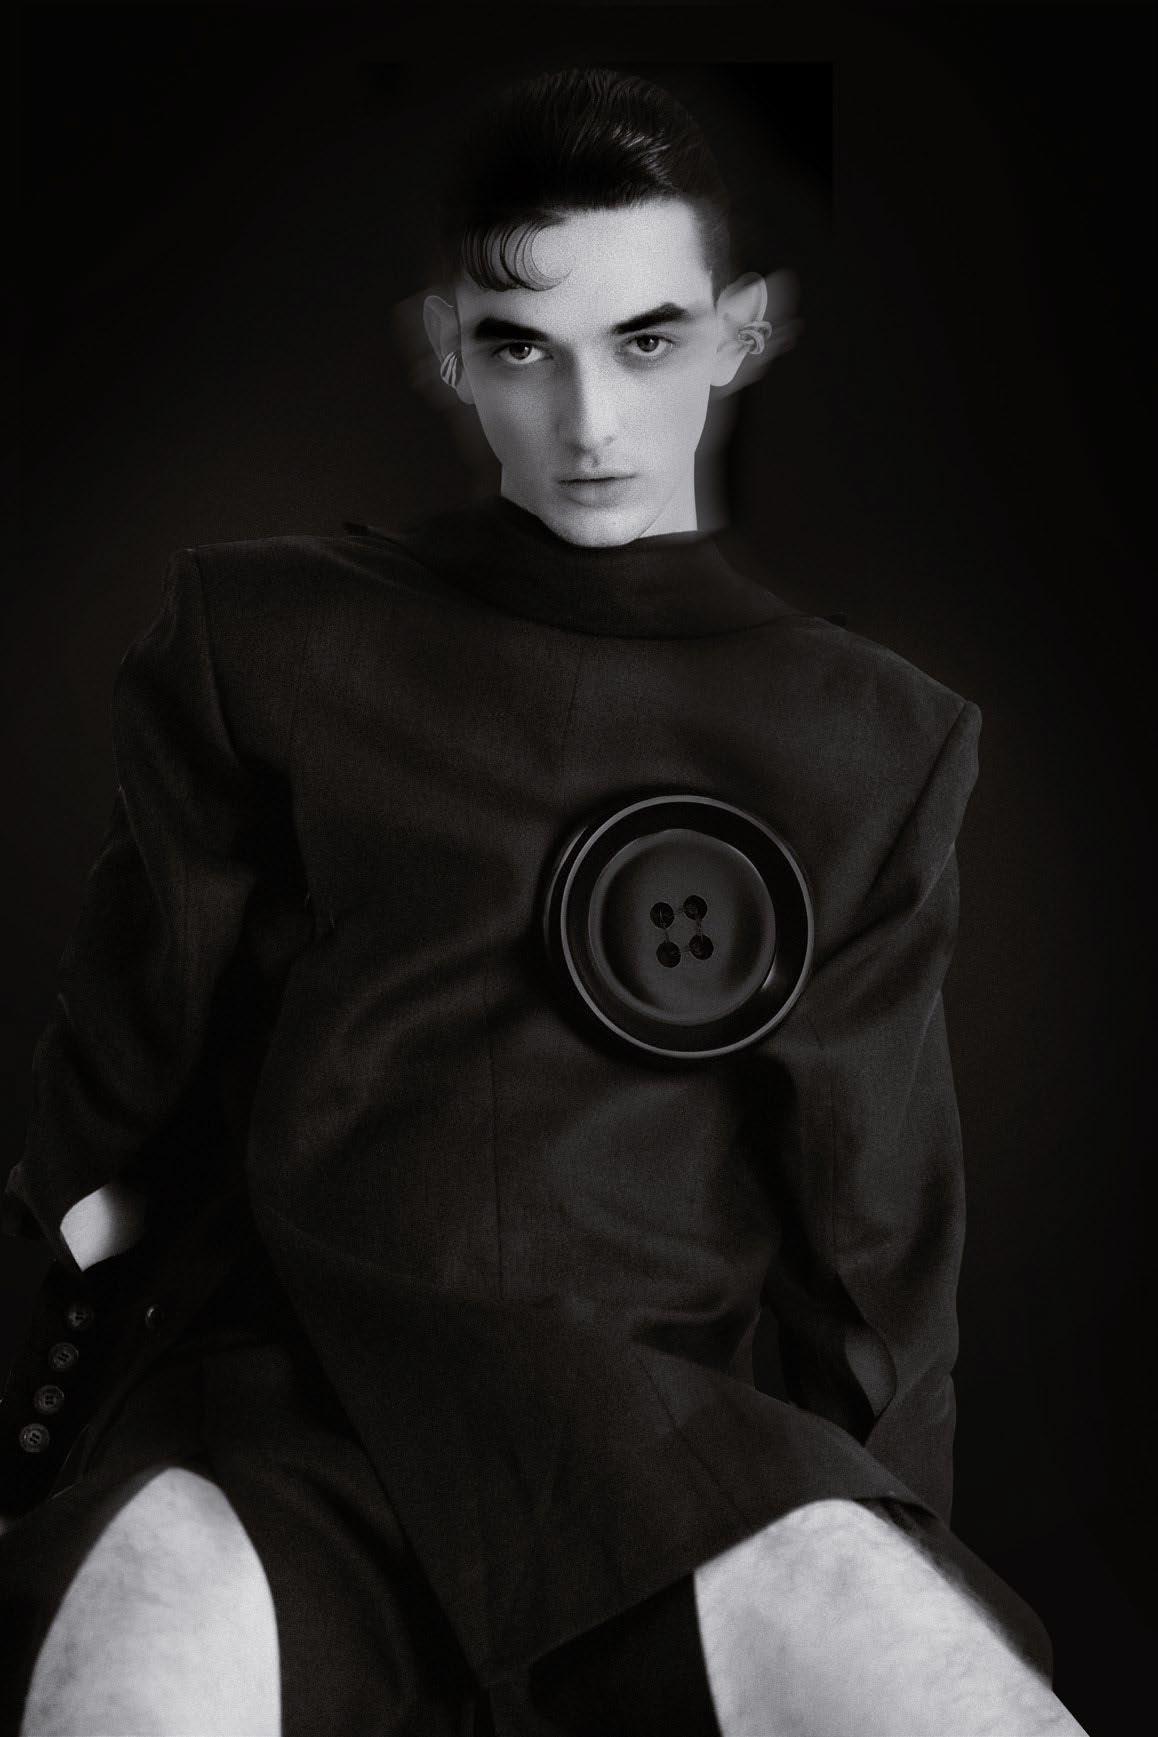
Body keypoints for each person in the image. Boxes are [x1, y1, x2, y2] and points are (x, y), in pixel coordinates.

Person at [0, 67, 1086, 1737]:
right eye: (523, 347)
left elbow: (877, 1246)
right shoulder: (265, 642)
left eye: (644, 340)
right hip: (289, 1420)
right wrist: (72, 1345)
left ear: (740, 334)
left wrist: (890, 1544)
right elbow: (113, 1093)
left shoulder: (871, 738)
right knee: (125, 1672)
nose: (587, 420)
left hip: (673, 1453)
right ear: (450, 348)